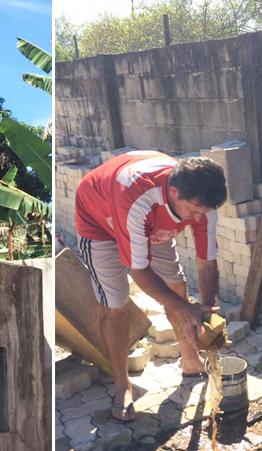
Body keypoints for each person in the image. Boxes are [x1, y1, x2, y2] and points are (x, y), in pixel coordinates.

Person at [74, 150, 227, 421]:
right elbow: (139, 270)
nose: (199, 220)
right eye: (193, 212)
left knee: (177, 289)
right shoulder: (139, 199)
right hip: (100, 221)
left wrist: (206, 311)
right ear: (175, 192)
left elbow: (207, 262)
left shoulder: (203, 205)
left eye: (204, 213)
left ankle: (190, 361)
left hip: (152, 225)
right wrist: (184, 309)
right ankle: (122, 385)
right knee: (116, 306)